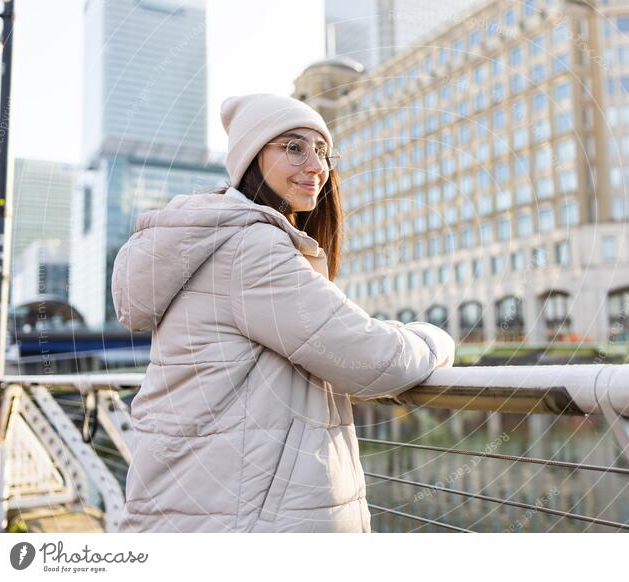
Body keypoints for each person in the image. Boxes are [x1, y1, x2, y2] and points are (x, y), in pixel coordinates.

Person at [111, 93, 455, 532]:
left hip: (208, 512)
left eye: (322, 151)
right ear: (252, 158)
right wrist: (435, 340)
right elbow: (372, 359)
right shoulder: (249, 249)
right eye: (293, 147)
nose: (316, 166)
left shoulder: (219, 241)